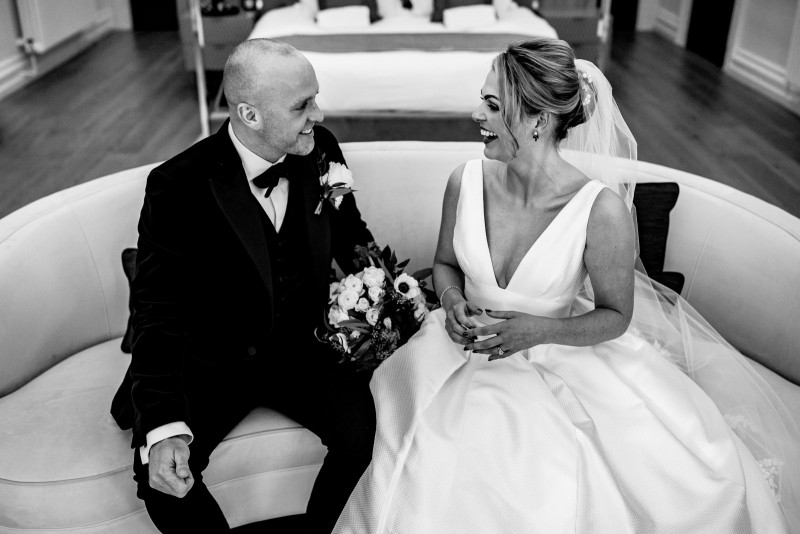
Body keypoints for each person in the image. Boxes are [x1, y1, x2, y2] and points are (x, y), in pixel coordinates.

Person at [334, 38, 799, 533]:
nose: (476, 114)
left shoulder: (601, 211)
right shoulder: (464, 180)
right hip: (453, 355)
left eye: (492, 105)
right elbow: (444, 263)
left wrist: (537, 331)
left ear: (538, 120)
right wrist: (450, 300)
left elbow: (615, 315)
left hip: (555, 358)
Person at [110, 39, 376, 534]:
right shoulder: (177, 185)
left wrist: (388, 297)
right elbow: (157, 311)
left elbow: (352, 239)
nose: (317, 114)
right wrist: (164, 423)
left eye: (314, 98)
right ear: (250, 114)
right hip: (211, 362)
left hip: (305, 350)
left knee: (364, 434)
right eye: (302, 105)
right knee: (162, 479)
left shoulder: (322, 151)